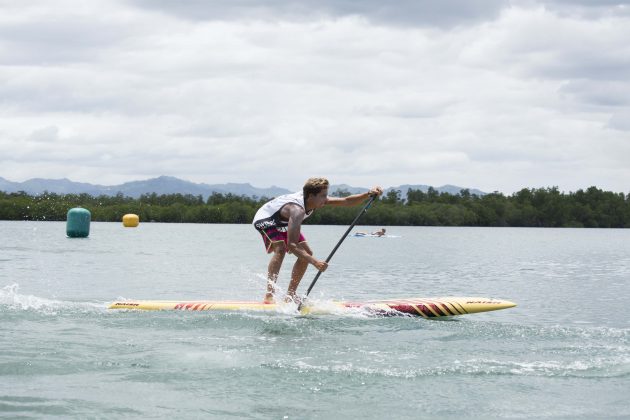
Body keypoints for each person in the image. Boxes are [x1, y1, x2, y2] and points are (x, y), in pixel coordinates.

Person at [253, 177, 382, 303]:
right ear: (310, 196)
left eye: (326, 195)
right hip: (266, 218)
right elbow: (292, 245)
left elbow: (346, 201)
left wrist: (368, 194)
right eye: (323, 196)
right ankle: (269, 295)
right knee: (281, 249)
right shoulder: (297, 210)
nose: (326, 199)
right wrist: (315, 263)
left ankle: (290, 296)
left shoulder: (314, 200)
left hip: (284, 220)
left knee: (306, 254)